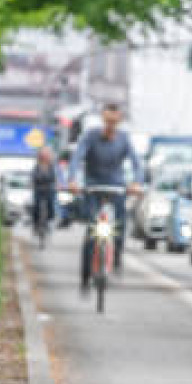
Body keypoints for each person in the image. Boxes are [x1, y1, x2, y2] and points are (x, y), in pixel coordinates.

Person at [70, 104, 142, 291]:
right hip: (93, 187)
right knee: (92, 231)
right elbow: (77, 157)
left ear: (118, 121)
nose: (110, 125)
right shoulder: (91, 136)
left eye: (114, 121)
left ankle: (116, 256)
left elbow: (136, 163)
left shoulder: (124, 139)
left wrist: (136, 182)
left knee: (120, 224)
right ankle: (85, 276)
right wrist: (72, 180)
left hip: (116, 187)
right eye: (107, 121)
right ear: (103, 119)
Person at [30, 147, 58, 235]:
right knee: (36, 206)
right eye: (43, 154)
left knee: (51, 205)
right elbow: (33, 177)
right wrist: (32, 184)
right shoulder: (37, 166)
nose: (45, 156)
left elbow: (55, 178)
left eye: (46, 154)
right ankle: (36, 224)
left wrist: (57, 185)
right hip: (38, 189)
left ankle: (48, 221)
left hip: (49, 189)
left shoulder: (51, 167)